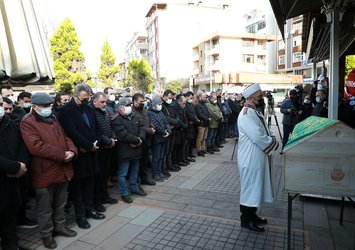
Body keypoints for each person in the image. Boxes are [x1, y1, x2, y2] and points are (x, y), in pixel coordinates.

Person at [20, 93, 78, 249]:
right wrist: (62, 154)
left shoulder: (53, 118)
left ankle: (60, 226)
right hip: (44, 172)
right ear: (34, 107)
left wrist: (72, 151)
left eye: (49, 105)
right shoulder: (27, 122)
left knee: (60, 203)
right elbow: (36, 146)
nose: (48, 109)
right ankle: (46, 235)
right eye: (45, 106)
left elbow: (66, 137)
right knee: (45, 208)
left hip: (62, 168)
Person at [58, 83, 105, 230]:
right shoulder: (65, 110)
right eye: (83, 99)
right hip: (79, 155)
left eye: (88, 98)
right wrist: (87, 145)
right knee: (78, 188)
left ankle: (90, 210)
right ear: (75, 95)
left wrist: (95, 142)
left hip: (92, 152)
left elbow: (97, 128)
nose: (86, 101)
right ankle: (80, 216)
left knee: (90, 185)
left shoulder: (89, 109)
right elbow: (71, 132)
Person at [238, 83, 279, 232]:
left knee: (256, 187)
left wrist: (272, 137)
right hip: (250, 158)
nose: (262, 98)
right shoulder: (246, 114)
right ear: (250, 97)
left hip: (257, 157)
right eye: (260, 96)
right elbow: (258, 136)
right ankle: (246, 220)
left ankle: (253, 215)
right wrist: (272, 141)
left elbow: (267, 131)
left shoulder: (255, 112)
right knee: (250, 189)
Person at [0, 95, 29, 250]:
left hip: (12, 181)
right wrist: (13, 167)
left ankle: (12, 245)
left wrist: (21, 164)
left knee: (10, 216)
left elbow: (21, 144)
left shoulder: (8, 122)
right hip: (4, 176)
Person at [111, 97, 146, 203]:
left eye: (129, 105)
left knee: (135, 170)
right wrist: (137, 140)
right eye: (126, 105)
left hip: (136, 149)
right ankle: (124, 194)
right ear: (120, 107)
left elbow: (142, 127)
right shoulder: (116, 119)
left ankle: (135, 188)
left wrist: (140, 139)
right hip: (124, 150)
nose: (128, 107)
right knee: (123, 173)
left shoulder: (134, 115)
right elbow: (122, 134)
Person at [91, 92, 118, 212]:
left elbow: (110, 127)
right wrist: (108, 141)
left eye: (105, 102)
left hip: (109, 147)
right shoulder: (92, 113)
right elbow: (97, 132)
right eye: (102, 102)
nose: (104, 104)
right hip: (99, 149)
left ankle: (105, 196)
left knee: (105, 174)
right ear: (94, 101)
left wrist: (113, 138)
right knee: (98, 176)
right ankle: (97, 201)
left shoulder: (105, 112)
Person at [132, 93, 156, 186]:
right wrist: (149, 130)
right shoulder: (133, 112)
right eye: (141, 102)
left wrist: (152, 127)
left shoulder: (144, 110)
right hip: (140, 141)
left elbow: (149, 121)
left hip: (147, 141)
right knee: (138, 163)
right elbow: (139, 126)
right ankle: (137, 181)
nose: (143, 103)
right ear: (134, 102)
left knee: (145, 161)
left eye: (144, 101)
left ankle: (144, 178)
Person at [147, 97, 171, 182]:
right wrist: (164, 132)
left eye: (161, 104)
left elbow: (166, 122)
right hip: (157, 138)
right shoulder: (149, 113)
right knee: (156, 157)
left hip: (164, 138)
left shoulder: (160, 112)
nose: (160, 106)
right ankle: (155, 174)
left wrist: (168, 131)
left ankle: (160, 172)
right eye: (159, 104)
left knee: (161, 156)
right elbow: (155, 126)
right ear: (154, 105)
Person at [194, 91, 211, 156]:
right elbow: (200, 114)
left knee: (204, 138)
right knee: (200, 138)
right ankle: (199, 150)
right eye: (204, 97)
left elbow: (207, 112)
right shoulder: (197, 105)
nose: (205, 98)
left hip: (206, 124)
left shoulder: (205, 105)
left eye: (205, 97)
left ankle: (203, 149)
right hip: (201, 124)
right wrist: (207, 119)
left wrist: (209, 117)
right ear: (200, 97)